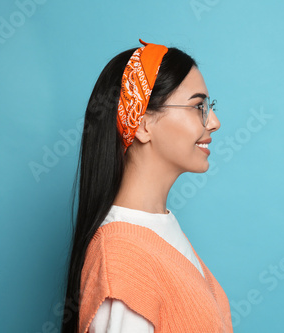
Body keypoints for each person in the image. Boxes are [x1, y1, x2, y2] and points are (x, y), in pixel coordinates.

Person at [61, 39, 233, 333]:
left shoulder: (159, 230)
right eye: (198, 106)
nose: (214, 121)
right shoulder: (120, 259)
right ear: (141, 124)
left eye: (210, 107)